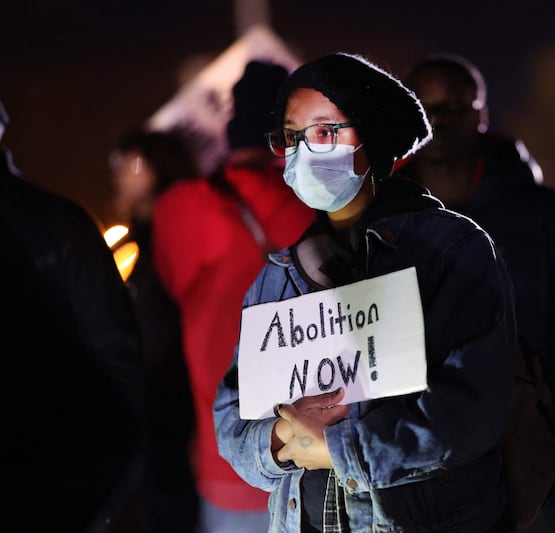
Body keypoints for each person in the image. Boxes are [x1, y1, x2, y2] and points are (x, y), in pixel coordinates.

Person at [213, 52, 519, 532]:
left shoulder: (452, 250)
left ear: (373, 139)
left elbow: (473, 404)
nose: (305, 151)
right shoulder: (280, 274)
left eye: (327, 132)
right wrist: (277, 441)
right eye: (292, 136)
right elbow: (231, 411)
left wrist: (341, 448)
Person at [401, 54, 555, 533]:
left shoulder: (553, 219)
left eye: (453, 106)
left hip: (539, 489)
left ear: (480, 113)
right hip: (421, 491)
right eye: (425, 108)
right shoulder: (385, 229)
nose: (438, 121)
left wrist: (543, 440)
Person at [152, 60, 316, 532]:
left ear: (231, 127)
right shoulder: (318, 205)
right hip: (319, 463)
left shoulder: (181, 208)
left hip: (228, 460)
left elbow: (173, 287)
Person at [1, 99, 147, 532]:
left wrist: (86, 503)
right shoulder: (61, 224)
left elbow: (119, 369)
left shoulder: (56, 228)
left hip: (55, 498)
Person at [107, 128, 200, 532]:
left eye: (131, 162)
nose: (120, 173)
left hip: (176, 401)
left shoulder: (175, 224)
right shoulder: (145, 234)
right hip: (160, 400)